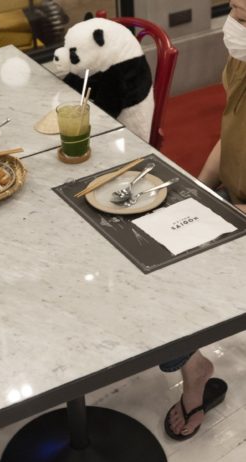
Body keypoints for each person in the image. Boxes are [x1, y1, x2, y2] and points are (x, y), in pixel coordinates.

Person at [163, 0, 246, 440]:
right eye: (234, 11)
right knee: (145, 250)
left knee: (171, 283)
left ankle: (192, 374)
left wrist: (227, 214)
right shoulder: (241, 62)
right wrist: (196, 189)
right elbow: (229, 132)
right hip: (232, 199)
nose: (234, 22)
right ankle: (191, 361)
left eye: (245, 17)